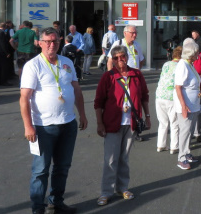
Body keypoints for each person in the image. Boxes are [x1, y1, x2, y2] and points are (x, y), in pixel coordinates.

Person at [20, 27, 88, 214]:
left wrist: (82, 114)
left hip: (68, 123)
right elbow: (24, 98)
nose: (52, 45)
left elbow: (76, 90)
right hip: (43, 127)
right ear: (40, 43)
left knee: (62, 167)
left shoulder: (66, 62)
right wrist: (28, 126)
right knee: (40, 171)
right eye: (48, 41)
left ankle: (56, 202)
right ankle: (38, 209)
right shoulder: (33, 65)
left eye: (55, 41)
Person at [94, 45, 150, 206]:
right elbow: (98, 102)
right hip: (112, 123)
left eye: (123, 56)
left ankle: (122, 187)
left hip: (131, 122)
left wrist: (147, 116)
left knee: (124, 158)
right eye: (117, 57)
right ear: (112, 59)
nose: (120, 60)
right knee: (110, 159)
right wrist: (99, 123)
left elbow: (145, 96)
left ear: (127, 56)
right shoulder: (108, 77)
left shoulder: (136, 74)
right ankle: (106, 192)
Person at [173, 41, 201, 170]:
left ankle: (186, 152)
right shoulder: (183, 65)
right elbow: (178, 87)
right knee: (185, 131)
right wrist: (183, 106)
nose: (198, 55)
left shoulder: (190, 64)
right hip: (187, 105)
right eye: (196, 53)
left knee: (189, 130)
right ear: (191, 54)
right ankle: (181, 157)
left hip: (193, 103)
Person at [156, 46, 182, 154]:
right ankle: (174, 146)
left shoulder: (166, 64)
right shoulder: (180, 66)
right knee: (174, 123)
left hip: (160, 95)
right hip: (172, 96)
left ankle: (160, 145)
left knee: (163, 123)